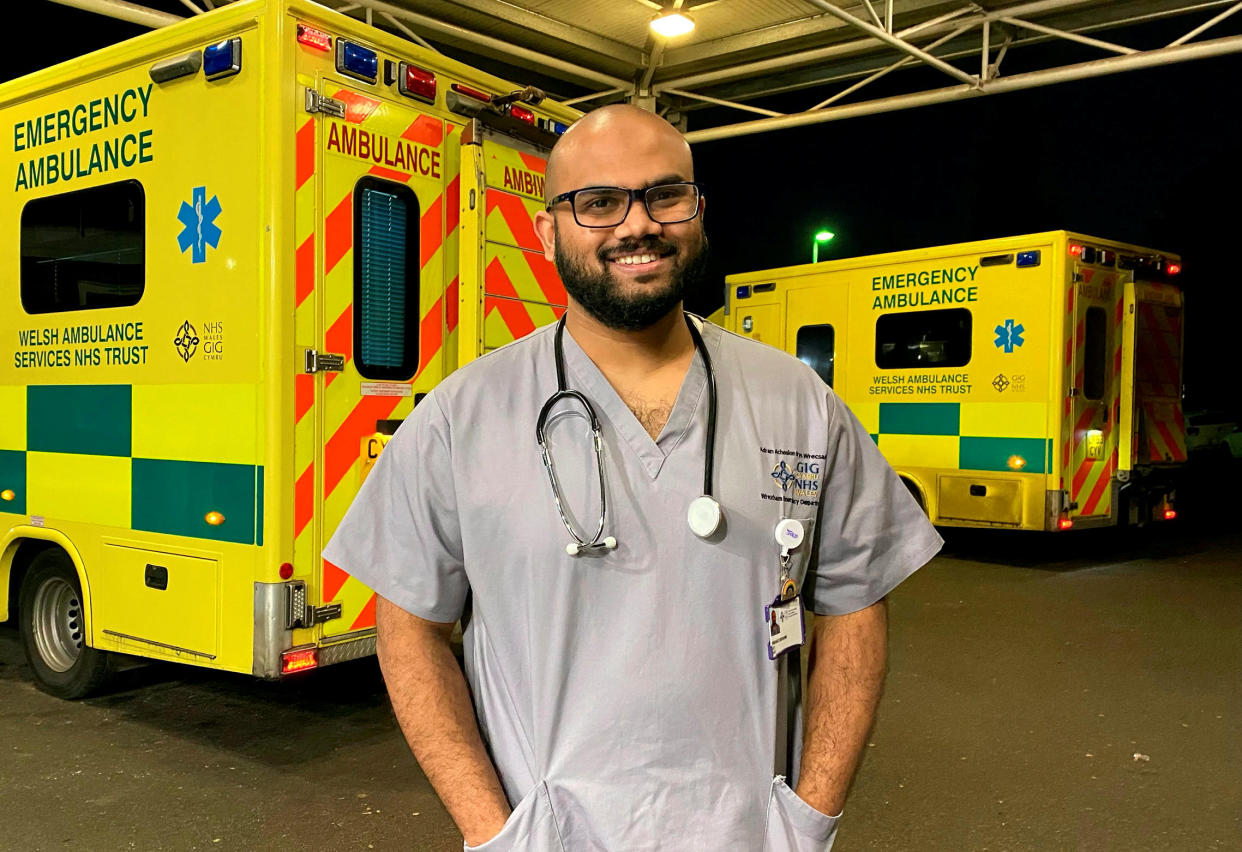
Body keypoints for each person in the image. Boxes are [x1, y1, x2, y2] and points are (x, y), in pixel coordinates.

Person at [324, 104, 941, 851]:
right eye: (599, 202)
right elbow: (409, 629)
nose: (636, 224)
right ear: (548, 230)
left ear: (699, 211)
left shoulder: (799, 405)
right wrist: (492, 832)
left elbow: (854, 603)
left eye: (665, 195)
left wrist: (811, 817)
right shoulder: (463, 417)